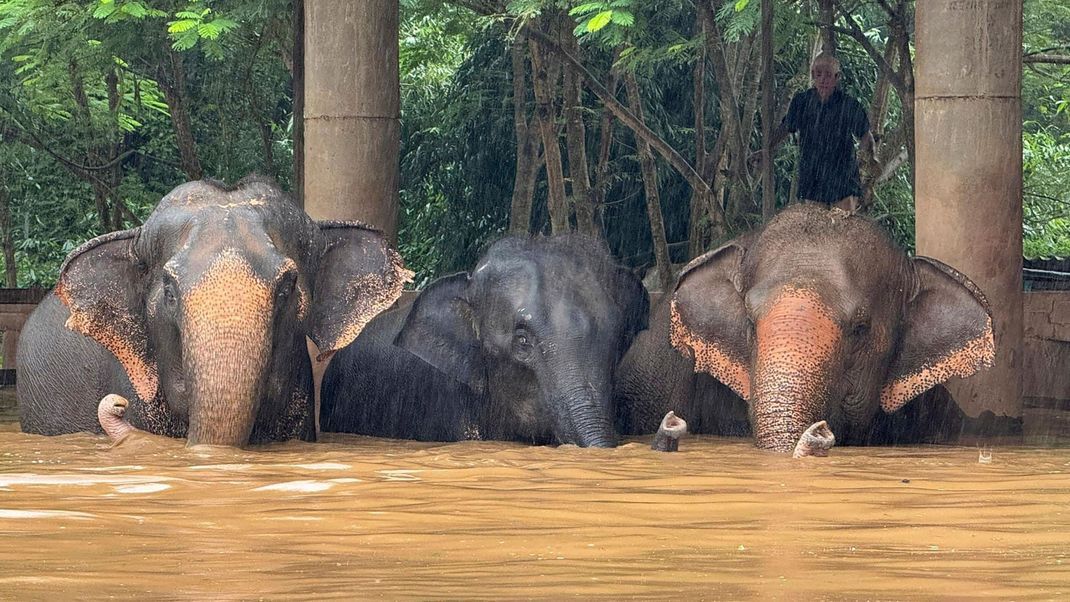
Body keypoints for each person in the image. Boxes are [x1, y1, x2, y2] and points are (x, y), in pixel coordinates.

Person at [762, 52, 877, 212]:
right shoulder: (801, 102)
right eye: (818, 74)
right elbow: (786, 128)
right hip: (812, 178)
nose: (823, 79)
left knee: (844, 230)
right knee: (816, 231)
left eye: (828, 75)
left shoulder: (849, 105)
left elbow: (866, 137)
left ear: (837, 77)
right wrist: (767, 149)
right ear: (813, 75)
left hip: (843, 179)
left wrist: (869, 163)